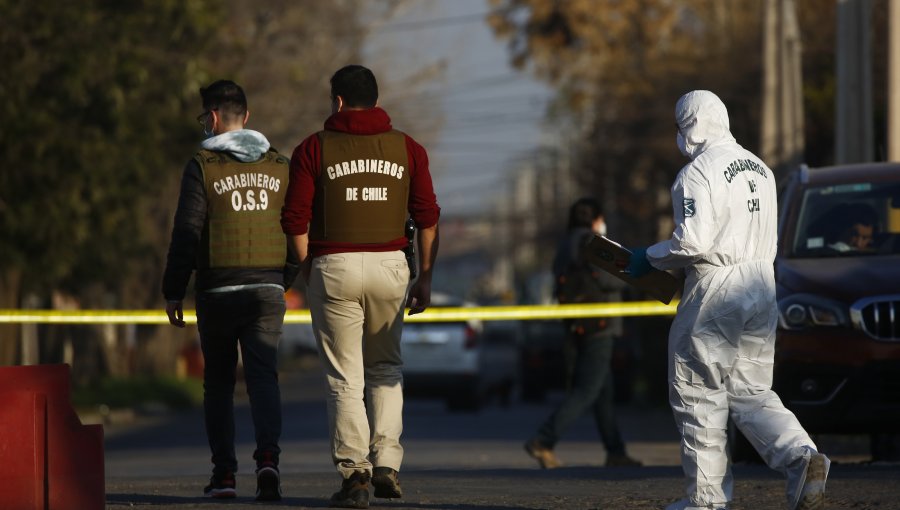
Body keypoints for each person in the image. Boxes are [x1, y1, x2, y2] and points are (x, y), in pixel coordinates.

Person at [626, 90, 829, 510]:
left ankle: (706, 500)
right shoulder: (762, 169)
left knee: (697, 390)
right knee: (752, 391)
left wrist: (649, 257)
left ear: (691, 125)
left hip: (716, 289)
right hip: (761, 285)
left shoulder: (696, 173)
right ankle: (803, 458)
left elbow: (694, 242)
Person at [281, 64, 440, 509]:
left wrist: (310, 269)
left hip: (333, 264)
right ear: (376, 99)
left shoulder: (313, 149)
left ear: (336, 102)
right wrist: (425, 276)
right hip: (392, 265)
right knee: (386, 368)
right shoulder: (408, 149)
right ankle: (387, 462)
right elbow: (428, 218)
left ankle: (355, 474)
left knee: (344, 376)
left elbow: (294, 222)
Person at [162, 80, 297, 501]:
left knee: (218, 383)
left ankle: (224, 476)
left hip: (217, 291)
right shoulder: (280, 166)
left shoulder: (202, 165)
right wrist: (284, 277)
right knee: (262, 379)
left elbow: (187, 231)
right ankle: (268, 460)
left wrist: (173, 289)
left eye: (205, 118)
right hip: (266, 290)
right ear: (247, 118)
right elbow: (298, 229)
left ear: (214, 118)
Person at [524, 197, 641, 470]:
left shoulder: (566, 243)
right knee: (587, 390)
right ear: (595, 218)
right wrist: (631, 267)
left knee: (603, 391)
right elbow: (613, 279)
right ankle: (543, 439)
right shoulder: (592, 242)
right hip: (599, 325)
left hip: (577, 323)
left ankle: (615, 451)